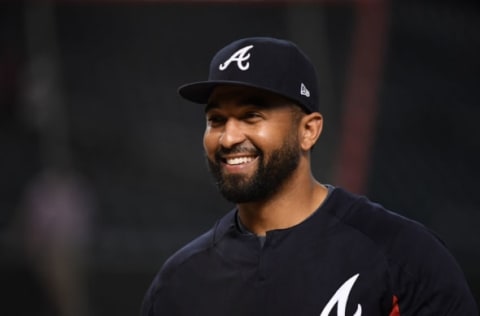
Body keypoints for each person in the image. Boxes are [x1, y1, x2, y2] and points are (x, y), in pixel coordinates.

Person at [141, 37, 477, 316]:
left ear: (309, 131)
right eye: (216, 120)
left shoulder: (402, 256)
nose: (228, 138)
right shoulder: (180, 282)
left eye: (252, 115)